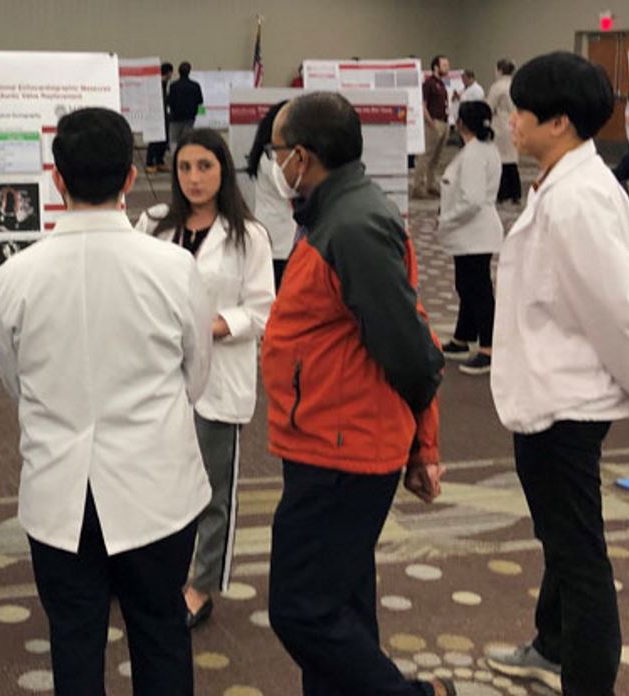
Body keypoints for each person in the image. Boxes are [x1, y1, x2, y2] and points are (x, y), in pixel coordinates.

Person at [0, 107, 214, 696]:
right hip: (156, 485)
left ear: (56, 179)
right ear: (129, 178)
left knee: (74, 639)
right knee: (161, 630)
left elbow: (14, 383)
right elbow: (197, 378)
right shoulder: (173, 267)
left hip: (59, 490)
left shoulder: (17, 274)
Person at [260, 92, 451, 696]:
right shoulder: (334, 212)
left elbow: (411, 349)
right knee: (340, 602)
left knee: (301, 610)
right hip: (329, 436)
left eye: (276, 151)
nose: (272, 162)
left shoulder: (354, 225)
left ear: (302, 156)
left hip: (341, 449)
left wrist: (424, 444)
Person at [486, 51, 629, 696]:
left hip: (564, 407)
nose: (512, 122)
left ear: (557, 122)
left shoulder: (580, 198)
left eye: (521, 113)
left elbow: (620, 310)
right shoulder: (565, 183)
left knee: (578, 553)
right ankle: (554, 644)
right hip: (551, 393)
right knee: (564, 539)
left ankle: (587, 678)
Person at [136, 129, 274, 629]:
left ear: (224, 170)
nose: (194, 178)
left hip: (217, 379)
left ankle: (200, 585)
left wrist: (207, 327)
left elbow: (261, 313)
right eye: (185, 168)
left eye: (205, 167)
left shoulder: (248, 235)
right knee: (153, 481)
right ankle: (153, 572)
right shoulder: (152, 224)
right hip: (158, 379)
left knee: (212, 490)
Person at [438, 100, 502, 376]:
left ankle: (488, 347)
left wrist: (446, 218)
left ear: (462, 122)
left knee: (478, 290)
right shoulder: (482, 149)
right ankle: (462, 337)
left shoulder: (476, 153)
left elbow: (472, 200)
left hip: (473, 230)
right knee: (467, 285)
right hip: (472, 232)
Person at [245, 100, 297, 288]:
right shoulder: (271, 157)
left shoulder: (275, 154)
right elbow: (287, 188)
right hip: (278, 238)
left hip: (281, 235)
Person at [416, 54, 451, 198]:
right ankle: (418, 186)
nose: (447, 68)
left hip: (444, 122)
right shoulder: (429, 84)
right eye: (444, 66)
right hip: (433, 123)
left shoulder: (442, 84)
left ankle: (430, 184)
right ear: (436, 67)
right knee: (425, 156)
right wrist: (430, 122)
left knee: (436, 157)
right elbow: (423, 105)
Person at [488, 59, 521, 204]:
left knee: (501, 160)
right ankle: (515, 193)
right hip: (515, 123)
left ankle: (502, 193)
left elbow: (489, 106)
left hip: (501, 125)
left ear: (500, 70)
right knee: (512, 160)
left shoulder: (498, 87)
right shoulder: (516, 85)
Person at [145, 62, 174, 174]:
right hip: (155, 115)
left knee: (164, 139)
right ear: (169, 72)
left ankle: (159, 161)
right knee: (155, 139)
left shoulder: (166, 84)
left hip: (164, 115)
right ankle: (150, 162)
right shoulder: (156, 84)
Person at [168, 62, 203, 146]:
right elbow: (200, 101)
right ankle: (185, 156)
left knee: (174, 140)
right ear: (189, 72)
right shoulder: (195, 86)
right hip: (189, 118)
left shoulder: (173, 86)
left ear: (179, 72)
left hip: (175, 118)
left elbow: (169, 101)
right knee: (187, 140)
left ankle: (175, 157)